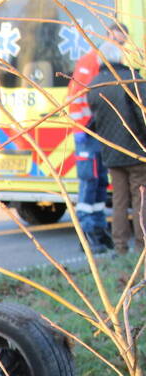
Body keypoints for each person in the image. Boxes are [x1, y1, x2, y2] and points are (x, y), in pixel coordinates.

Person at [67, 22, 128, 251]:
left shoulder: (111, 61)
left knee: (101, 182)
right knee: (89, 181)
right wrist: (82, 129)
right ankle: (87, 230)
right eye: (116, 40)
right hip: (88, 133)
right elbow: (77, 98)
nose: (119, 44)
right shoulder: (91, 62)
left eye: (121, 41)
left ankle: (98, 228)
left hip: (99, 133)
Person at [87, 40, 146, 255]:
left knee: (119, 202)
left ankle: (120, 247)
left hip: (111, 152)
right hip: (137, 151)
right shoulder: (131, 80)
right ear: (120, 57)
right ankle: (142, 247)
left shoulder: (94, 85)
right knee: (141, 200)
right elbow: (142, 114)